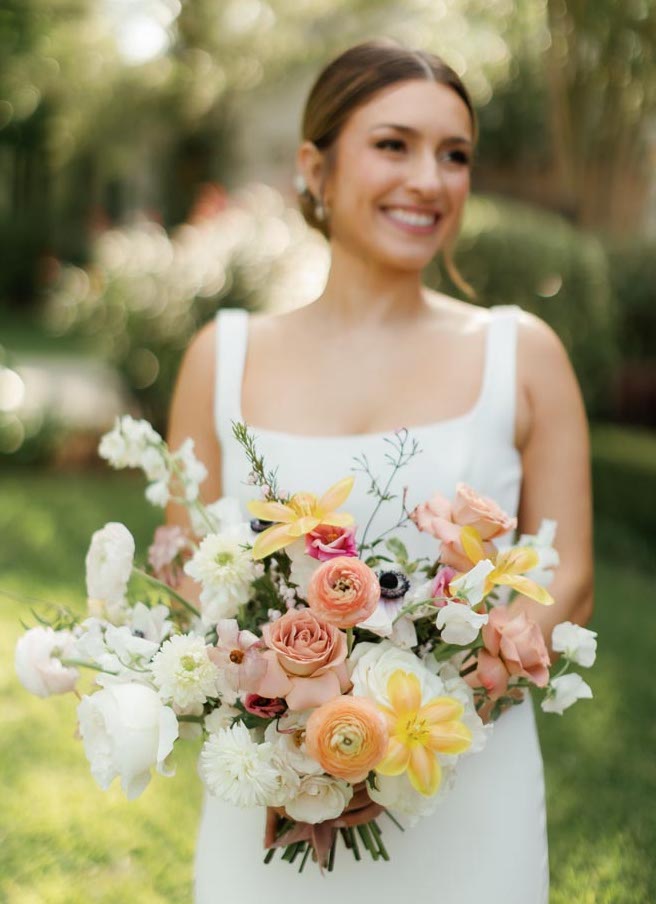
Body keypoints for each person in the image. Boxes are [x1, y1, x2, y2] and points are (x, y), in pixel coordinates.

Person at [166, 39, 594, 904]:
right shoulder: (223, 355)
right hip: (280, 800)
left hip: (465, 787)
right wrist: (284, 703)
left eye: (456, 155)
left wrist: (434, 697)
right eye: (394, 145)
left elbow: (571, 573)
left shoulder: (523, 355)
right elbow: (182, 562)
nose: (430, 181)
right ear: (315, 168)